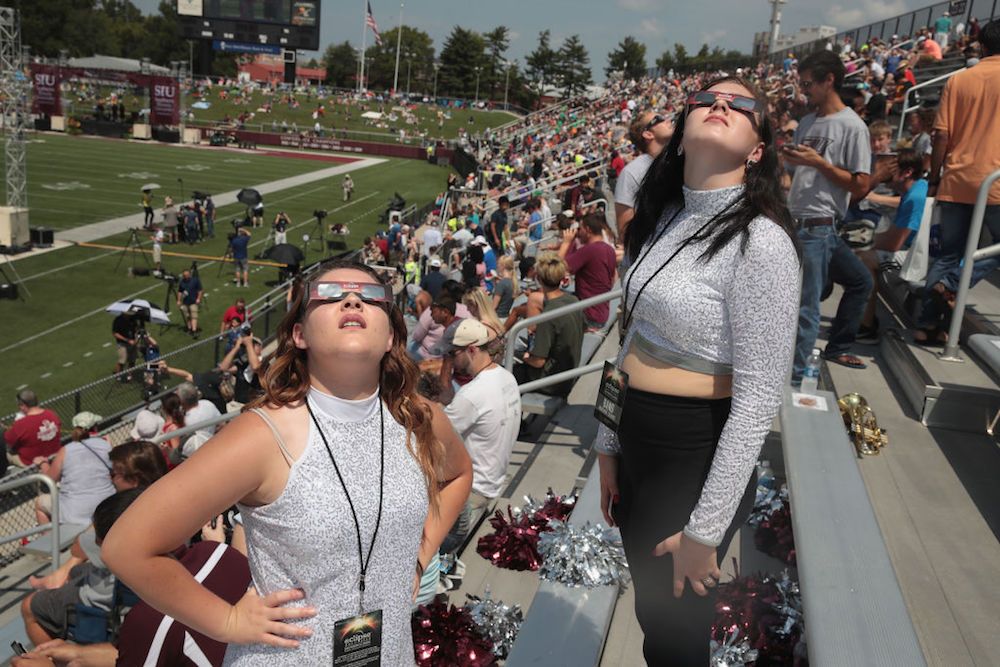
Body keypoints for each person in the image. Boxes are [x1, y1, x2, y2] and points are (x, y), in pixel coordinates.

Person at [101, 260, 472, 665]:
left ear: (390, 337)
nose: (352, 299)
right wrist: (226, 621)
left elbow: (457, 475)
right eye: (330, 295)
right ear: (299, 334)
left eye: (370, 296)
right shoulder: (262, 436)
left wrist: (420, 553)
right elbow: (128, 547)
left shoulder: (419, 417)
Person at [596, 76, 800, 665]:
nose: (721, 105)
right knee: (653, 618)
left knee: (676, 632)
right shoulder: (663, 218)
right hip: (639, 439)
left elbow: (760, 398)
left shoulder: (762, 242)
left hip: (693, 449)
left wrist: (705, 530)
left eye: (742, 106)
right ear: (681, 134)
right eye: (708, 99)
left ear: (757, 149)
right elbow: (630, 335)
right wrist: (610, 441)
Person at [783, 50, 873, 379]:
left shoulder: (853, 127)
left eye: (808, 83)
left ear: (829, 80)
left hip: (821, 226)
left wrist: (818, 163)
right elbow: (793, 173)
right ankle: (821, 356)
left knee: (809, 307)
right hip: (803, 223)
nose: (803, 90)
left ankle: (794, 379)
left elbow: (861, 185)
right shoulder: (807, 121)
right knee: (859, 282)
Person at [915, 20, 1000, 345]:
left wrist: (935, 178)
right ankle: (950, 284)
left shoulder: (959, 80)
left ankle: (925, 327)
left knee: (947, 254)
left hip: (956, 178)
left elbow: (941, 136)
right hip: (995, 184)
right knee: (967, 259)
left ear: (982, 45)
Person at [436, 319, 521, 554]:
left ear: (471, 349)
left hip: (472, 492)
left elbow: (431, 438)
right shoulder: (507, 378)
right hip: (493, 480)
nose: (451, 359)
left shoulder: (472, 395)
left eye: (454, 353)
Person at [21, 488, 144, 647]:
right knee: (74, 571)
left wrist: (99, 524)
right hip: (119, 591)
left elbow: (77, 548)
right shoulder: (160, 537)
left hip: (103, 603)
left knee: (29, 606)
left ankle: (53, 658)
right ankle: (58, 580)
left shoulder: (113, 547)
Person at [856, 149, 928, 341]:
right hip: (912, 251)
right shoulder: (914, 190)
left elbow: (895, 243)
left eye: (889, 169)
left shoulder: (915, 197)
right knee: (861, 252)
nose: (883, 173)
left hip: (920, 258)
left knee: (864, 259)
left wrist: (859, 241)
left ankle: (866, 325)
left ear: (907, 172)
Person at [512, 253, 584, 397]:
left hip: (553, 382)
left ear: (538, 279)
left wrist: (525, 357)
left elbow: (538, 362)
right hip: (569, 371)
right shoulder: (573, 300)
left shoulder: (548, 315)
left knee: (509, 375)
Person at [35, 425, 116, 526]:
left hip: (77, 514)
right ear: (95, 428)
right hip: (108, 505)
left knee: (40, 502)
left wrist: (43, 463)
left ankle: (50, 539)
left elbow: (50, 479)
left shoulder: (66, 450)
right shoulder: (105, 445)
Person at [616, 110, 675, 240]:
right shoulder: (631, 173)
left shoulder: (683, 159)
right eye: (659, 119)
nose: (667, 120)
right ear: (648, 134)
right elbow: (625, 231)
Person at [558, 212, 618, 330]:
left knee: (537, 300)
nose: (578, 232)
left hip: (588, 315)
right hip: (600, 313)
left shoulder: (589, 250)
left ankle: (536, 344)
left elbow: (553, 269)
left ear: (588, 229)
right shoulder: (609, 250)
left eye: (580, 229)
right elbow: (613, 278)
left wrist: (566, 242)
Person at [3, 389, 62, 467]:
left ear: (23, 405)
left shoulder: (21, 423)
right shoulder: (52, 414)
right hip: (55, 457)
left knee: (5, 453)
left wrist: (2, 428)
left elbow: (6, 439)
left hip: (31, 464)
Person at [178, 268, 204, 337]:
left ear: (190, 274)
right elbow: (180, 291)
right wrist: (178, 300)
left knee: (194, 316)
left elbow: (200, 290)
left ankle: (194, 330)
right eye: (184, 275)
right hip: (185, 302)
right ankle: (190, 329)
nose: (186, 276)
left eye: (187, 275)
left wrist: (198, 298)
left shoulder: (195, 280)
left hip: (193, 302)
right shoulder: (182, 282)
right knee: (188, 316)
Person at [112, 311, 139, 376]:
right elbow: (115, 333)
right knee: (122, 361)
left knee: (132, 360)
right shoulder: (118, 320)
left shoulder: (133, 318)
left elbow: (136, 329)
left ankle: (129, 376)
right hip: (122, 343)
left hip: (132, 342)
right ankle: (118, 376)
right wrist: (127, 340)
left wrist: (136, 339)